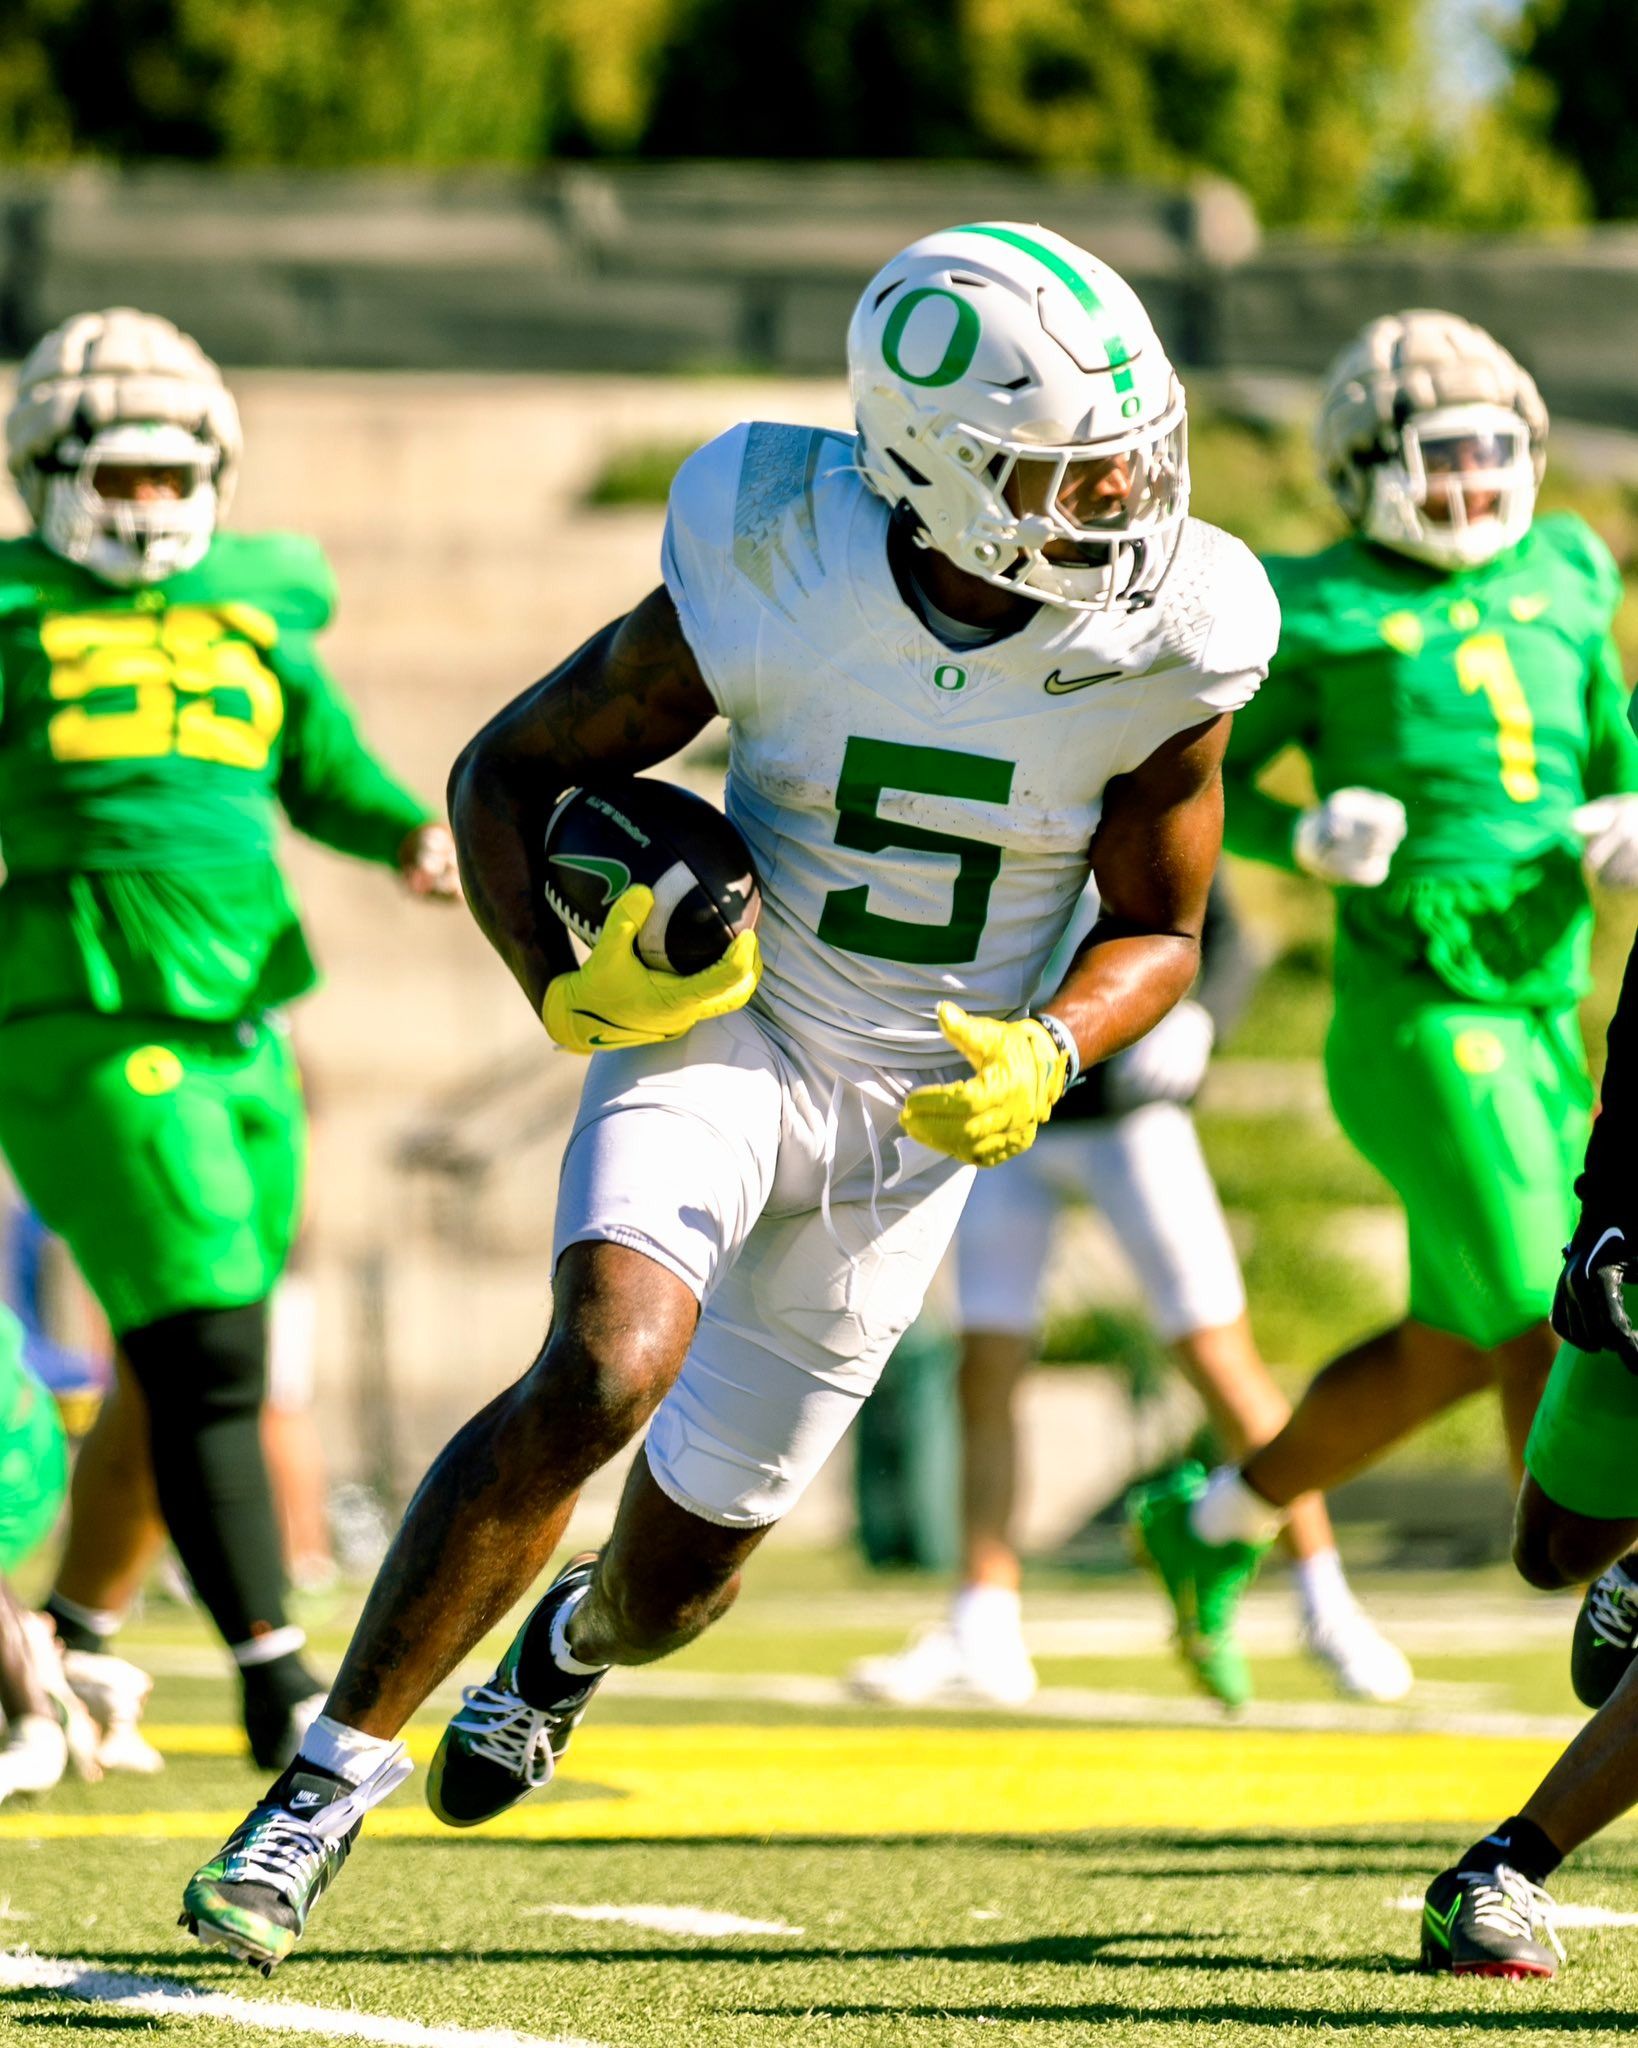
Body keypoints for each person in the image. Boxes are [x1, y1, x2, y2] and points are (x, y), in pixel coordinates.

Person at [179, 220, 1278, 1970]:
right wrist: (556, 981)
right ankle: (317, 1784)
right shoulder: (776, 546)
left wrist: (1054, 1046)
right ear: (933, 472)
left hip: (922, 1115)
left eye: (1126, 460)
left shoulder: (1181, 630)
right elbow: (506, 773)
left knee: (678, 1585)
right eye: (1066, 477)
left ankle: (570, 1643)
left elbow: (1160, 921)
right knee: (606, 1356)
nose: (1119, 507)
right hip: (734, 1026)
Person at [1130, 308, 1638, 1699]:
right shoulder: (1317, 601)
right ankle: (1608, 1590)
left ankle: (1216, 1516)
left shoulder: (1570, 569)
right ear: (1362, 467)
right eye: (1441, 458)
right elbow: (1184, 787)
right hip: (1415, 1012)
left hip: (1542, 1006)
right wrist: (1294, 836)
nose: (1473, 488)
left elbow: (1612, 736)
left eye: (1491, 456)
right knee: (1556, 1304)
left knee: (1446, 1342)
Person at [0, 308, 459, 1772]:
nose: (145, 507)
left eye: (164, 477)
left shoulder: (257, 609)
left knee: (180, 1349)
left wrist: (405, 831)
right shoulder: (13, 611)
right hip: (81, 1000)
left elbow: (319, 765)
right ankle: (280, 1680)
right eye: (117, 479)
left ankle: (68, 1644)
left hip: (245, 1013)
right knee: (206, 1337)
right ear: (48, 472)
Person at [852, 871, 1410, 1709]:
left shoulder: (1136, 783)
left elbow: (1219, 931)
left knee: (1222, 1363)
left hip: (1131, 1119)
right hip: (1011, 1118)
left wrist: (1203, 1014)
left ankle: (1326, 1602)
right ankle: (984, 1620)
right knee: (986, 1371)